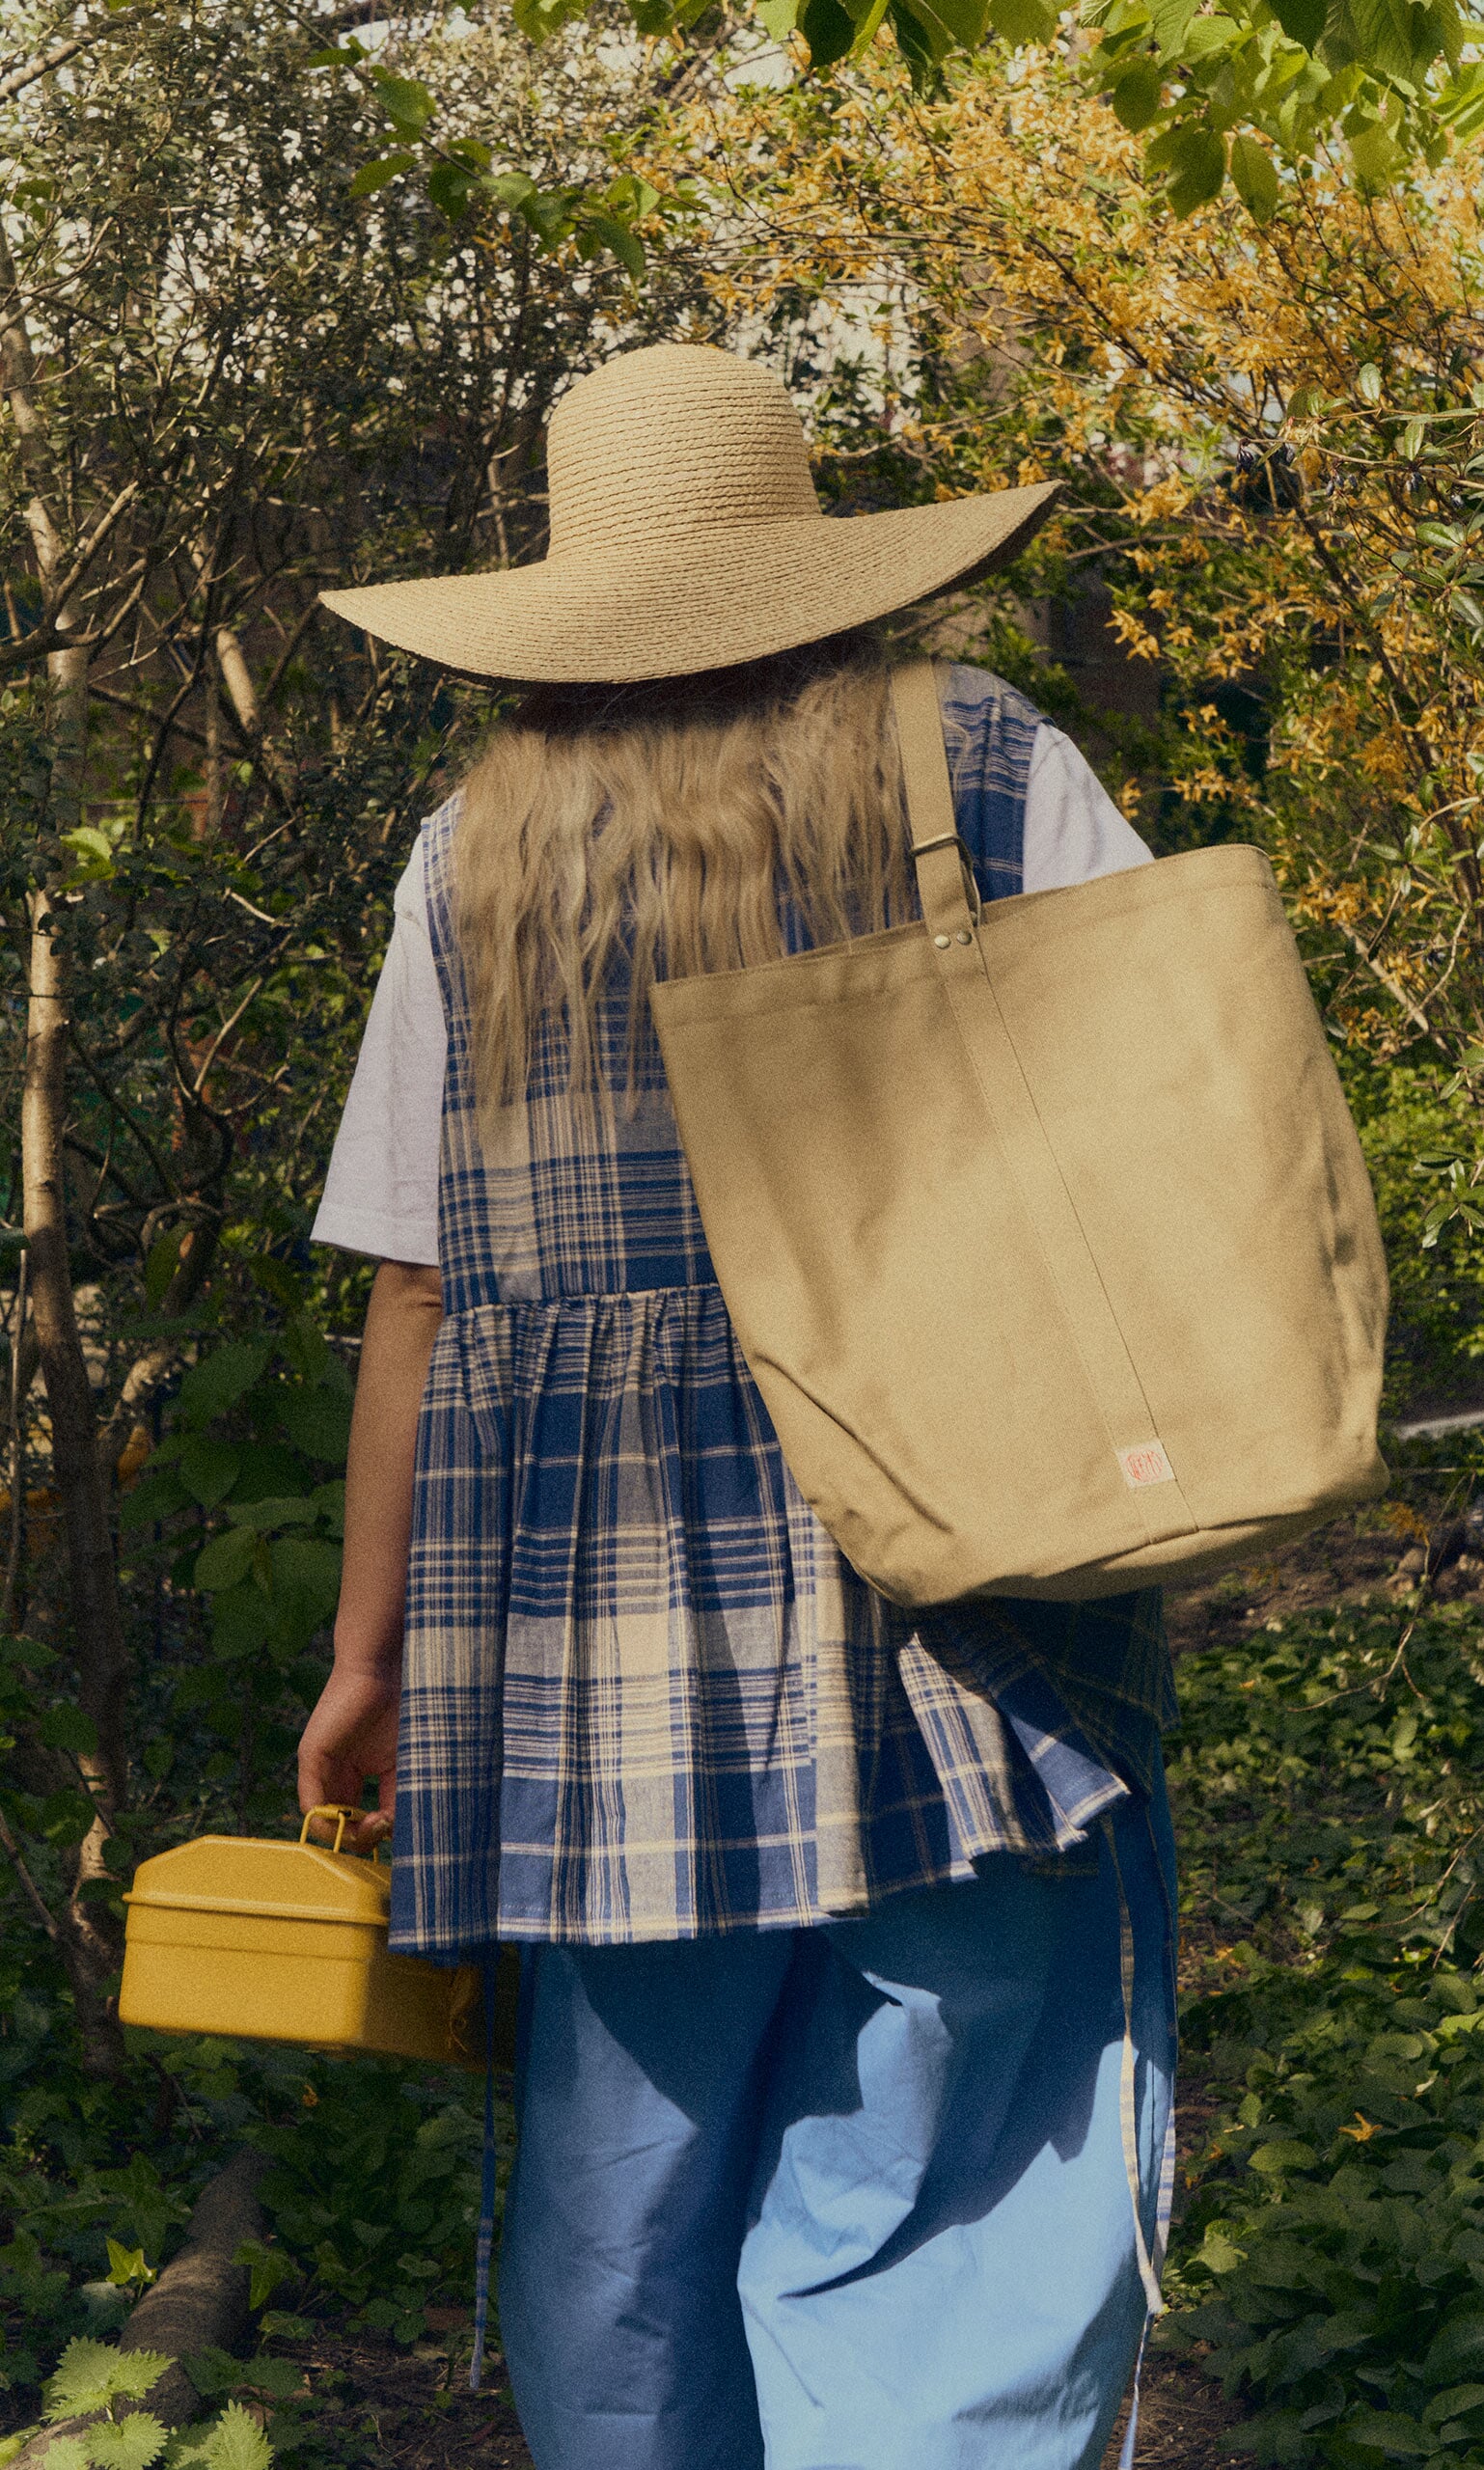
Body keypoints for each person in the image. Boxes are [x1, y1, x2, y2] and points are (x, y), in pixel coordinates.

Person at [298, 342, 1178, 2470]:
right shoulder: (972, 750)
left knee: (625, 2190)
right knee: (943, 2174)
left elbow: (418, 1281)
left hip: (589, 1630)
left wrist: (368, 1653)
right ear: (811, 553)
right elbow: (1165, 1099)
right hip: (962, 1552)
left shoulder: (469, 853)